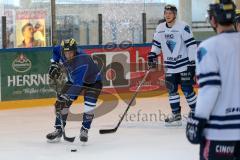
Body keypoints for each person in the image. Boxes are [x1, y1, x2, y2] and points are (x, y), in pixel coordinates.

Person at [186, 0, 240, 159]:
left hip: (221, 133)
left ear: (213, 20)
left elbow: (210, 89)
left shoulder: (208, 47)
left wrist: (198, 119)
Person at [148, 4, 197, 125]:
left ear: (175, 14)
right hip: (169, 66)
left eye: (170, 13)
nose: (167, 15)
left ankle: (197, 113)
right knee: (172, 90)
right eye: (166, 13)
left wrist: (192, 63)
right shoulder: (160, 28)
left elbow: (191, 45)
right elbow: (156, 45)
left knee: (187, 90)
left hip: (184, 64)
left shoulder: (183, 26)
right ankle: (176, 115)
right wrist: (153, 54)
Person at [46, 38, 102, 143]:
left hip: (93, 82)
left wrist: (67, 97)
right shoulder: (60, 50)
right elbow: (55, 51)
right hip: (74, 80)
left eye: (71, 52)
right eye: (66, 53)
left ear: (75, 50)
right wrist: (54, 63)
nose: (68, 55)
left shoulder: (82, 59)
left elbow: (78, 84)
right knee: (61, 104)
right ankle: (58, 129)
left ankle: (84, 129)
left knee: (89, 106)